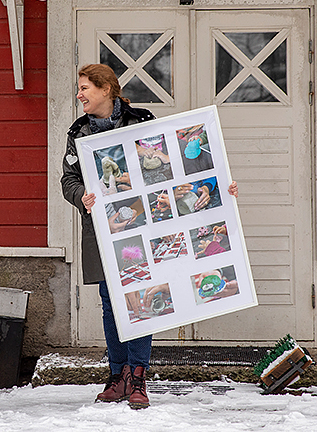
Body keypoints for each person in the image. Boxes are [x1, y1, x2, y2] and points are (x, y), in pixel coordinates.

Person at [61, 63, 240, 410]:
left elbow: (178, 166)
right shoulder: (78, 133)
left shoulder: (141, 123)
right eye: (80, 88)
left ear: (105, 89)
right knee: (112, 306)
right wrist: (81, 194)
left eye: (85, 88)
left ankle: (138, 378)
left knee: (140, 300)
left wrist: (219, 186)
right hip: (104, 230)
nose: (80, 94)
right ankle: (117, 376)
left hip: (145, 228)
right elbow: (67, 179)